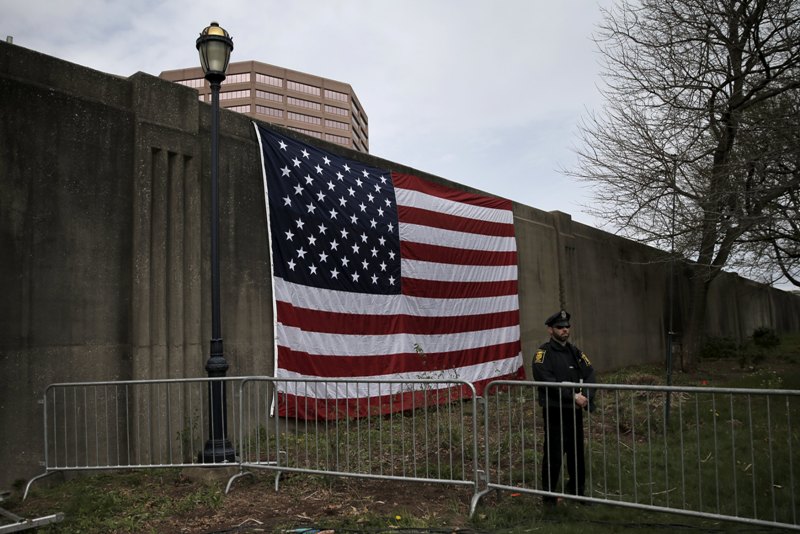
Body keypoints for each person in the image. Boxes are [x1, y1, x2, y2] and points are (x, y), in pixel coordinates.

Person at [532, 310, 596, 507]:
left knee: (576, 454)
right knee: (553, 455)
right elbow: (546, 381)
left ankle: (578, 492)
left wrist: (586, 396)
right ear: (551, 330)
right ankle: (549, 498)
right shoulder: (543, 355)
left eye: (567, 327)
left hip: (574, 412)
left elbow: (589, 373)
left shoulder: (575, 352)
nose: (565, 330)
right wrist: (572, 396)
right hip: (555, 412)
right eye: (560, 327)